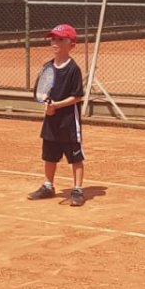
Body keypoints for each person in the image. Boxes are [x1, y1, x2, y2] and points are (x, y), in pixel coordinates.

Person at [27, 23, 86, 207]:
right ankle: (48, 186)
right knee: (49, 155)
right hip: (51, 120)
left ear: (71, 44)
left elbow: (77, 96)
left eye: (60, 39)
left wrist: (57, 106)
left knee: (75, 157)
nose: (55, 42)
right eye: (53, 39)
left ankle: (77, 190)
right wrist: (48, 106)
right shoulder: (47, 67)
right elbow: (43, 93)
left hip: (69, 121)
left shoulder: (73, 69)